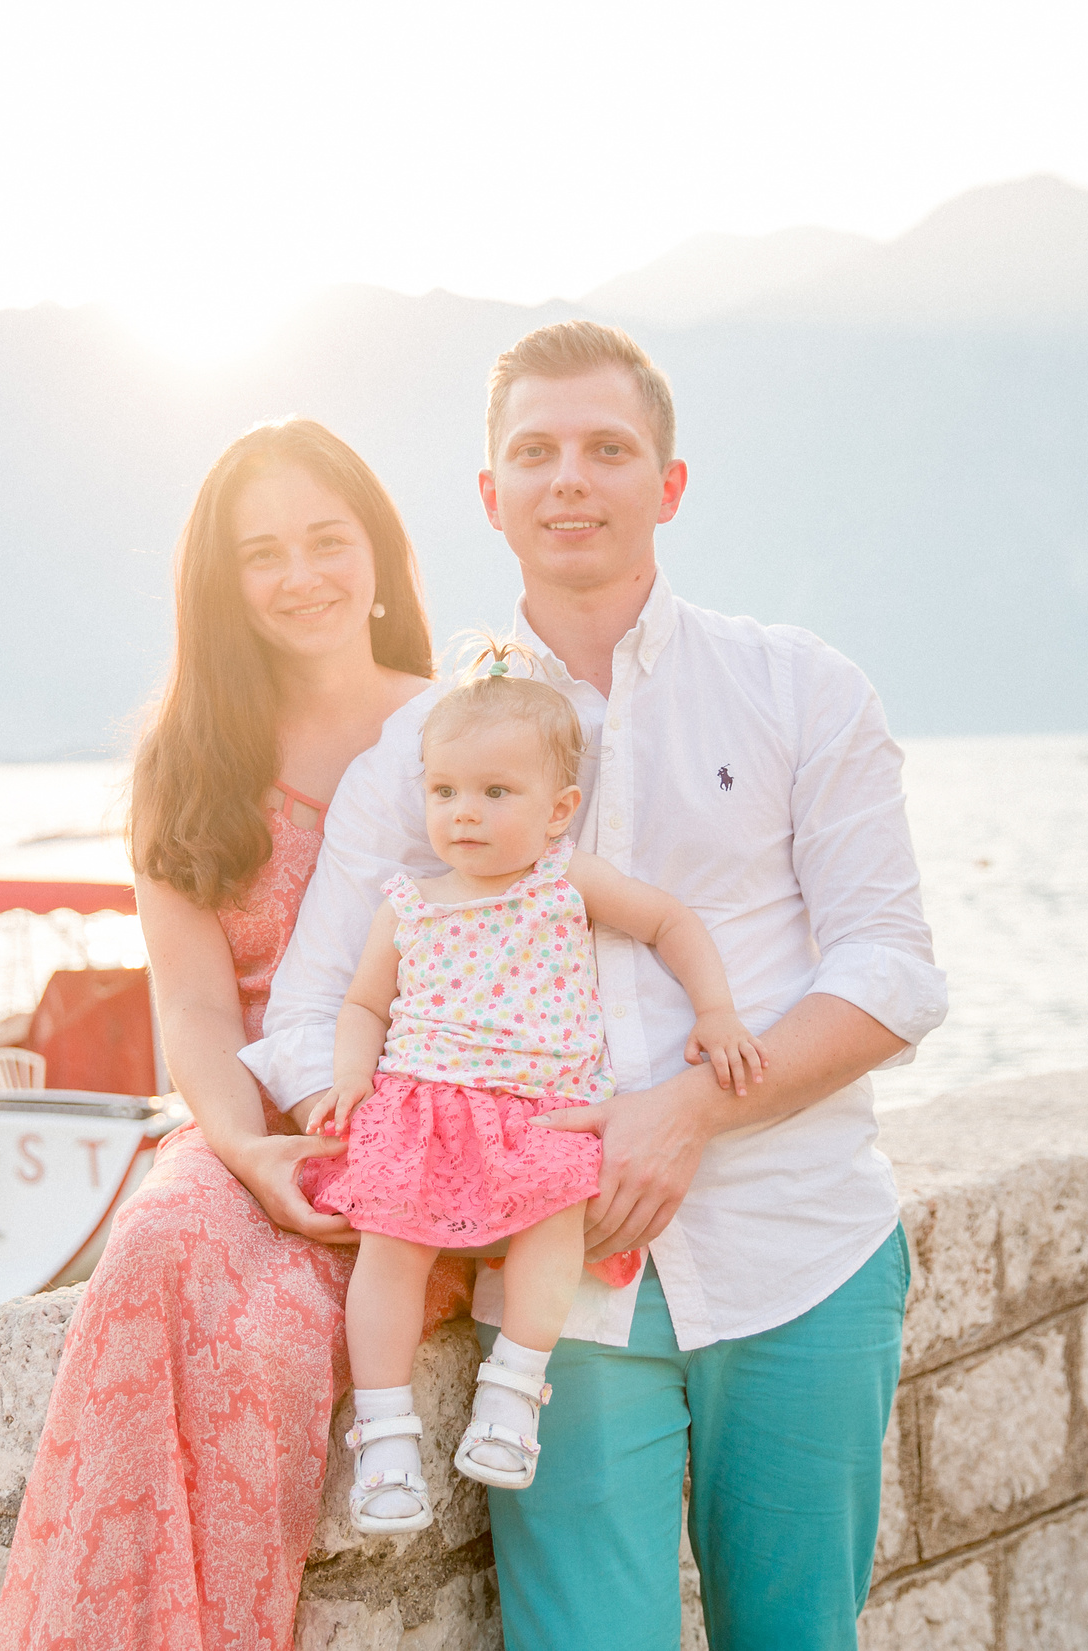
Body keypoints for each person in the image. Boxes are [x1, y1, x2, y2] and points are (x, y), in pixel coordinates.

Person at [245, 322, 948, 1650]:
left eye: (608, 449)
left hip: (801, 1246)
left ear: (668, 483)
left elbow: (892, 967)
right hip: (554, 1300)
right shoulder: (420, 753)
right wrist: (436, 1158)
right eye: (536, 452)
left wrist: (688, 1113)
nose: (569, 477)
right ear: (490, 494)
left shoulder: (799, 687)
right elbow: (308, 1012)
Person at [0, 418, 470, 1651]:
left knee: (271, 1340)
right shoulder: (187, 763)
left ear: (376, 551)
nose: (300, 575)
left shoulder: (457, 731)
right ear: (222, 584)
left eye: (325, 539)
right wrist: (250, 1154)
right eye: (262, 554)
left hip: (427, 1124)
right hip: (248, 1121)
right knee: (150, 1259)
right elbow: (194, 1006)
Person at [301, 642, 765, 1536]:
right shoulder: (411, 902)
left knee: (554, 1229)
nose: (464, 813)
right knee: (389, 1249)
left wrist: (716, 1010)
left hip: (539, 1111)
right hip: (422, 1106)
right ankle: (386, 1432)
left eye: (495, 792)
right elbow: (364, 1002)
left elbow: (669, 920)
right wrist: (351, 1074)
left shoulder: (563, 881)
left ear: (559, 811)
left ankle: (513, 1390)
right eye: (445, 791)